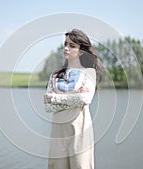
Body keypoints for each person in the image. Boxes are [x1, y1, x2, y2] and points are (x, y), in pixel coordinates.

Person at [44, 29, 103, 169]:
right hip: (58, 133)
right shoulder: (55, 75)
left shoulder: (89, 73)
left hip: (80, 131)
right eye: (65, 44)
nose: (66, 48)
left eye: (72, 45)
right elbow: (48, 106)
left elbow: (84, 99)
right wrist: (74, 97)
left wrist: (55, 98)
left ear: (81, 51)